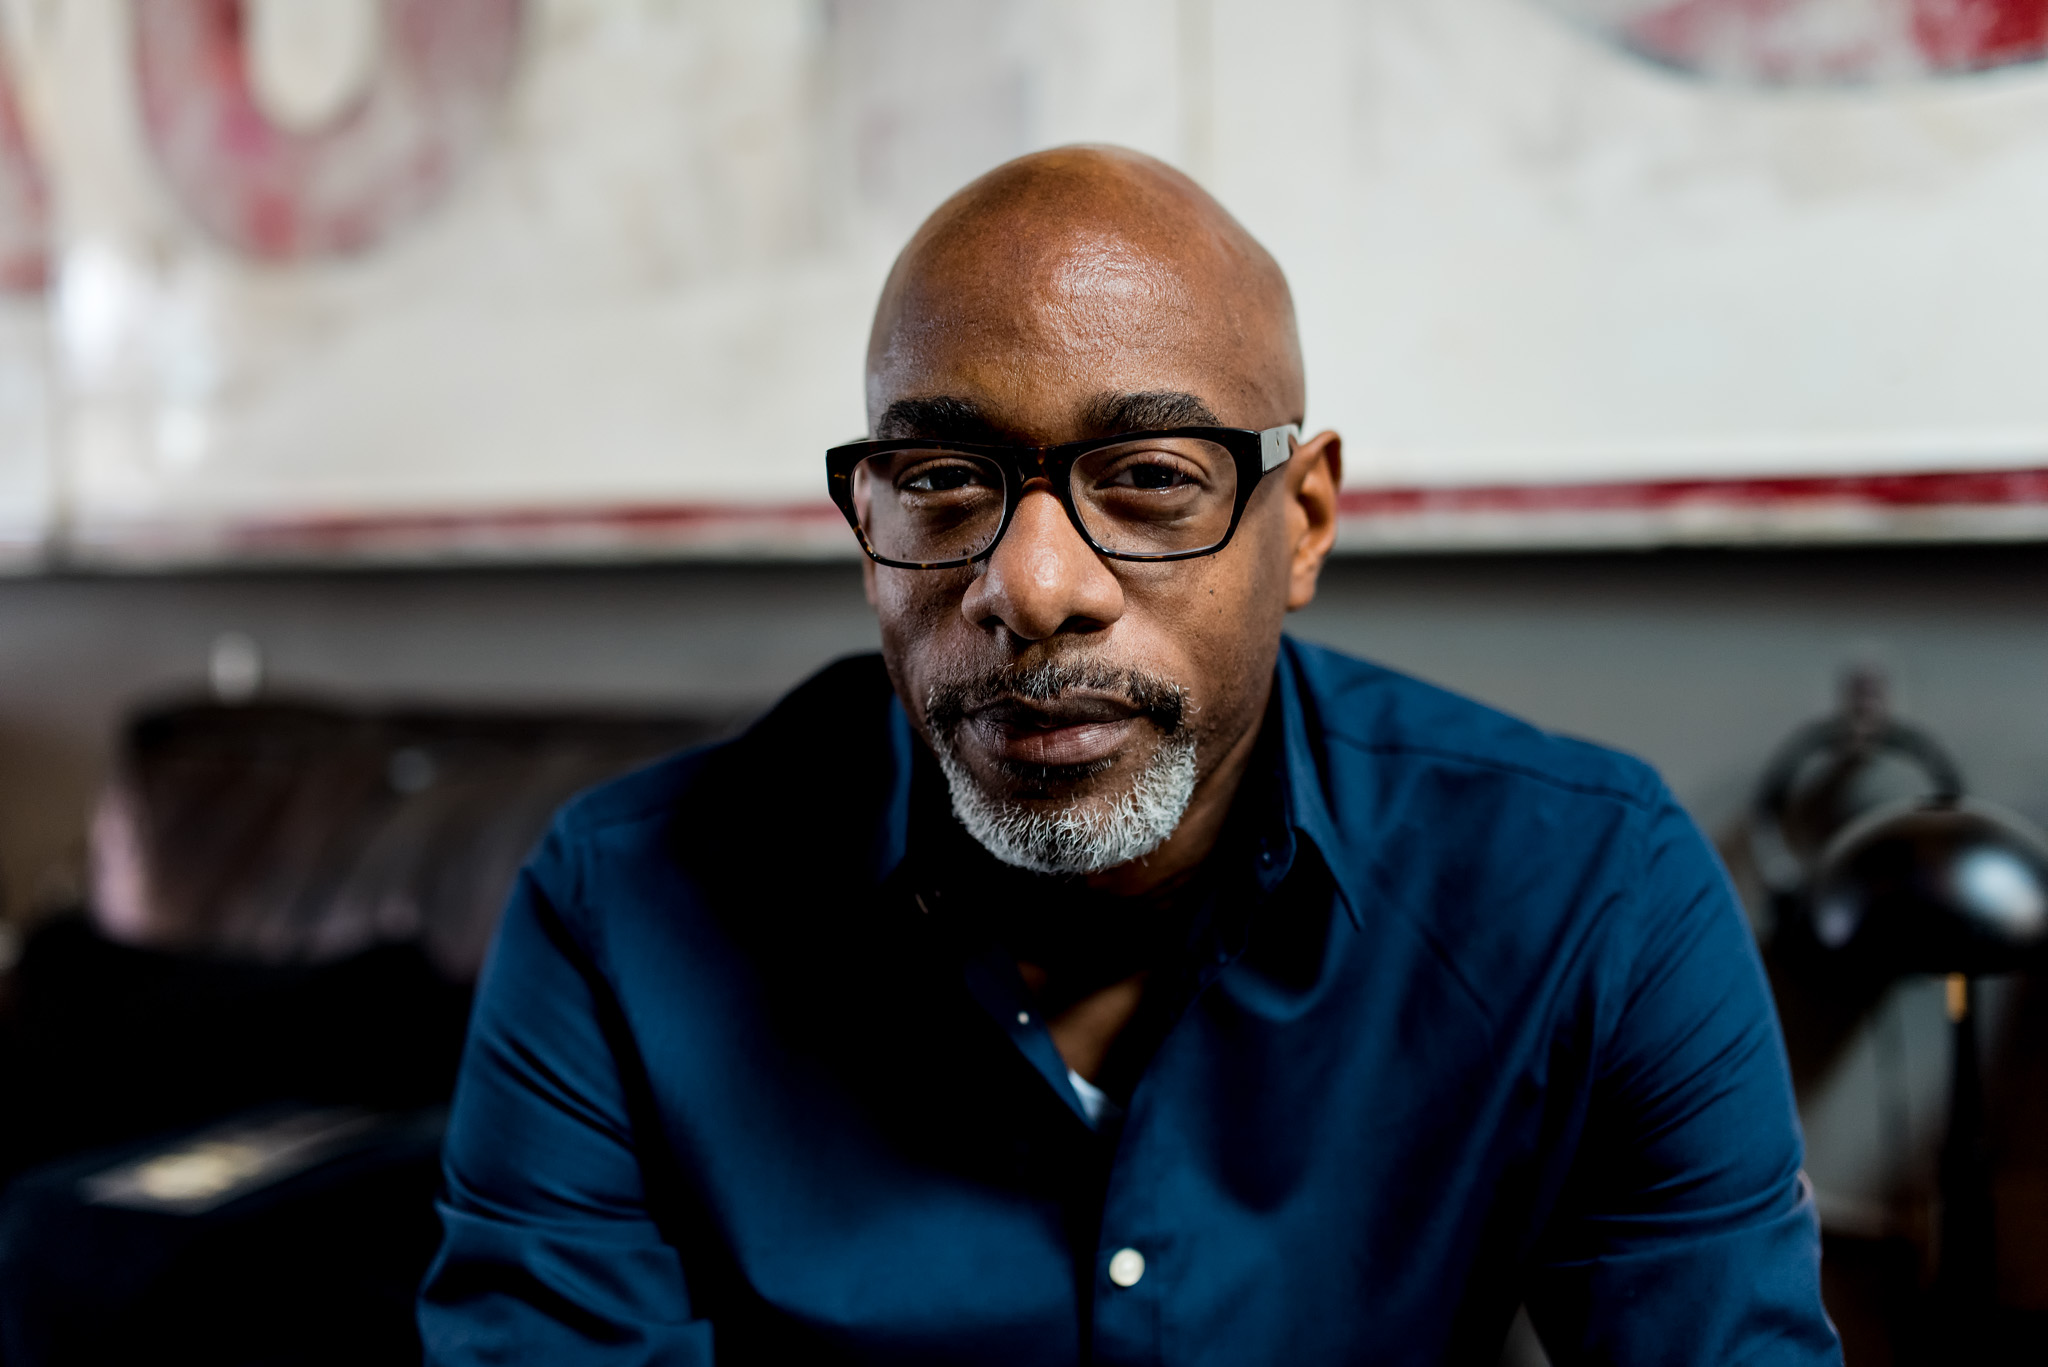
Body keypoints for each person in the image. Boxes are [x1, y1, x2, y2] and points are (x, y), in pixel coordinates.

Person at [419, 146, 1840, 1365]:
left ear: (1304, 523)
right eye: (941, 480)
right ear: (867, 529)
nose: (1034, 587)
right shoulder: (623, 913)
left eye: (1152, 478)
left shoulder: (1590, 896)